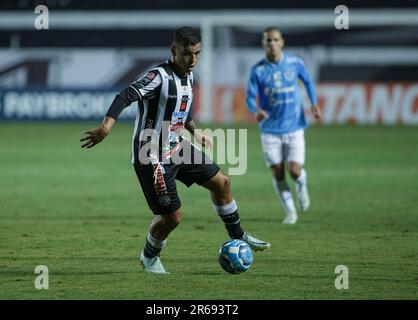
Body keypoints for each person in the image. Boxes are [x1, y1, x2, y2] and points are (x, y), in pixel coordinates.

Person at [81, 26, 270, 274]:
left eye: (197, 54)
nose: (193, 60)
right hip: (150, 156)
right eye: (187, 54)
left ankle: (238, 236)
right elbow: (126, 95)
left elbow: (182, 107)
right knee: (173, 218)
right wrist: (106, 127)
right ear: (174, 50)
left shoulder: (188, 75)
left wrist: (196, 132)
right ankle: (149, 257)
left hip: (177, 147)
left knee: (222, 183)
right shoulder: (159, 76)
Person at [245, 27, 322, 225]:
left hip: (295, 126)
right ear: (263, 44)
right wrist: (256, 110)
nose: (272, 43)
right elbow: (249, 97)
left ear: (282, 42)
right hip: (270, 130)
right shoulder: (258, 70)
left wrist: (313, 102)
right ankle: (290, 212)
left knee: (295, 171)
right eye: (268, 40)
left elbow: (308, 81)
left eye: (275, 40)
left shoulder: (294, 63)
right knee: (278, 173)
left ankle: (302, 185)